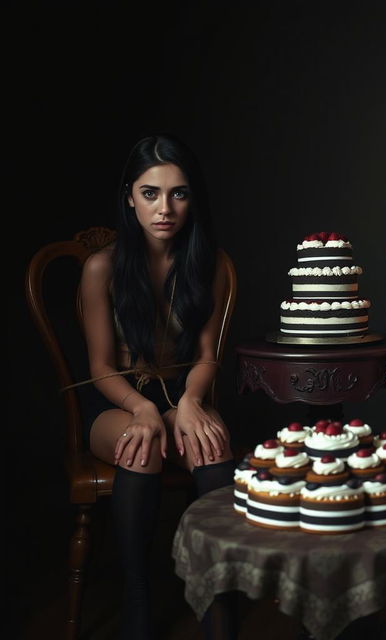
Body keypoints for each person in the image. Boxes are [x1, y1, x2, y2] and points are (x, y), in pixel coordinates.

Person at [79, 133, 235, 639]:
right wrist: (142, 410)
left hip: (179, 391)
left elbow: (208, 355)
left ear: (193, 198)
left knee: (212, 448)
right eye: (150, 193)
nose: (164, 208)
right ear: (130, 197)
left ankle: (218, 601)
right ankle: (137, 600)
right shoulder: (102, 267)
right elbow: (100, 365)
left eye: (178, 193)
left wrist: (190, 400)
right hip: (117, 398)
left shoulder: (207, 264)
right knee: (140, 444)